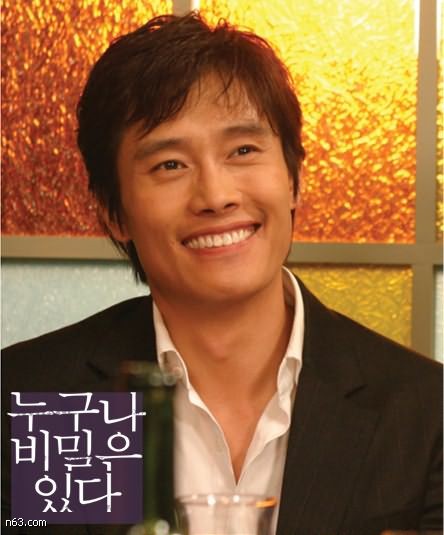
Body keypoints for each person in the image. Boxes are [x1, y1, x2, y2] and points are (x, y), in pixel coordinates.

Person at [2, 12, 442, 535]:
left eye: (243, 151)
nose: (215, 195)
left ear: (294, 180)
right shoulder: (43, 397)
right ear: (114, 213)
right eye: (170, 164)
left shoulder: (424, 411)